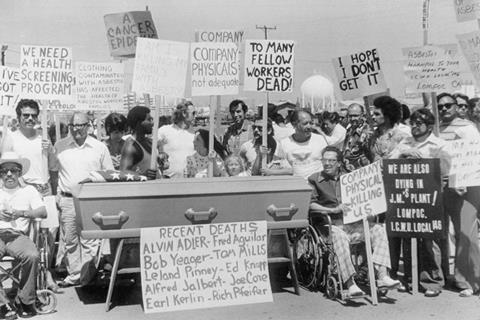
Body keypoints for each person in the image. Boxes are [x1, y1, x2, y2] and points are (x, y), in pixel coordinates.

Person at [308, 146, 400, 297]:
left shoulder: (350, 177)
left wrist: (370, 207)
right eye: (325, 160)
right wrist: (333, 210)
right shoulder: (314, 179)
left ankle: (382, 275)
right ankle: (350, 283)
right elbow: (311, 205)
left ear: (339, 163)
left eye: (331, 160)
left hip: (353, 224)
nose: (327, 164)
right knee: (339, 237)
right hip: (330, 225)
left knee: (378, 229)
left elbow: (364, 196)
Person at [390, 109, 450, 297]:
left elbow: (447, 171)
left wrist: (424, 160)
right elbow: (389, 163)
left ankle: (432, 282)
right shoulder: (404, 142)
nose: (415, 126)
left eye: (420, 123)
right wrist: (403, 154)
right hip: (407, 199)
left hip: (430, 200)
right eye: (412, 122)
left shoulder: (439, 145)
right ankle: (410, 279)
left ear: (430, 126)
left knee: (429, 241)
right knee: (408, 239)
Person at [1, 99, 59, 292]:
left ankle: (47, 273)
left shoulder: (43, 138)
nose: (30, 118)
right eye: (25, 115)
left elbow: (53, 166)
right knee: (27, 235)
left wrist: (49, 148)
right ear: (18, 118)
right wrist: (20, 184)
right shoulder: (11, 138)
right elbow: (6, 166)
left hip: (44, 189)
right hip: (24, 189)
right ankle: (24, 279)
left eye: (33, 115)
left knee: (49, 233)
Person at [53, 112, 114, 287]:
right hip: (67, 199)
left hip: (90, 200)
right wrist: (57, 195)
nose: (76, 129)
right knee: (70, 239)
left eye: (81, 125)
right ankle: (74, 275)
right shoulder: (60, 146)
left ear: (88, 125)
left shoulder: (99, 147)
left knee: (90, 241)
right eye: (73, 125)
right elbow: (54, 172)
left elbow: (108, 173)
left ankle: (86, 277)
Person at [436, 92, 480, 297]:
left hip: (467, 187)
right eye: (441, 106)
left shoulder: (467, 128)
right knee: (448, 233)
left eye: (448, 105)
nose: (444, 109)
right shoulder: (437, 129)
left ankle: (473, 281)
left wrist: (462, 180)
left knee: (466, 234)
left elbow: (473, 157)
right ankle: (455, 277)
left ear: (456, 106)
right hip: (444, 187)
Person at [0, 152, 47, 318]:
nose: (9, 174)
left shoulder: (29, 190)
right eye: (4, 171)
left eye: (13, 170)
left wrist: (21, 213)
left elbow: (43, 212)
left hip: (17, 235)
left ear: (20, 173)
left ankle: (25, 300)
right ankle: (2, 303)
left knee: (32, 255)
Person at [271, 109, 328, 179]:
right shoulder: (284, 143)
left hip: (317, 186)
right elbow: (278, 166)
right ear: (294, 124)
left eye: (311, 123)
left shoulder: (320, 140)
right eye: (305, 123)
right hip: (295, 186)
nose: (309, 126)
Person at [157, 102, 195, 178]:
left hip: (190, 181)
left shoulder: (194, 134)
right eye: (193, 113)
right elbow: (152, 147)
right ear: (184, 113)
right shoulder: (164, 131)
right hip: (168, 181)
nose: (195, 116)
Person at [120, 107, 158, 179]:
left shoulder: (149, 141)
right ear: (139, 123)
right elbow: (123, 173)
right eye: (149, 120)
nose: (152, 123)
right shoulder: (131, 146)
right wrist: (142, 175)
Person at [342, 103, 374, 172]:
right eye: (350, 116)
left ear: (362, 115)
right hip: (348, 169)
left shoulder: (368, 130)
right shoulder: (349, 129)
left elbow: (372, 153)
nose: (352, 118)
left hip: (362, 171)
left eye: (355, 116)